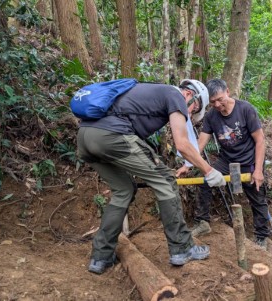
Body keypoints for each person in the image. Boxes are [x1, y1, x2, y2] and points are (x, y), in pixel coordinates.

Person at [77, 79, 226, 274]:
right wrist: (209, 170)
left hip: (85, 137)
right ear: (190, 95)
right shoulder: (175, 95)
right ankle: (183, 248)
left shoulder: (148, 92)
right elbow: (182, 144)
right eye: (194, 109)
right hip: (112, 135)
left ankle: (101, 257)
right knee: (166, 181)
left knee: (124, 189)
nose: (188, 113)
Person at [177, 79, 270, 250]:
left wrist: (258, 170)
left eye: (220, 99)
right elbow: (201, 143)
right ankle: (202, 222)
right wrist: (188, 164)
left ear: (228, 91)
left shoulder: (245, 109)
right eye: (213, 102)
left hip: (249, 160)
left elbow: (260, 140)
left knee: (257, 195)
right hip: (226, 160)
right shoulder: (211, 116)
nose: (218, 104)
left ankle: (262, 236)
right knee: (205, 180)